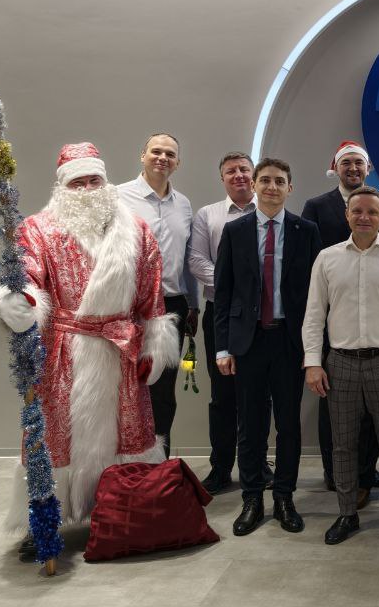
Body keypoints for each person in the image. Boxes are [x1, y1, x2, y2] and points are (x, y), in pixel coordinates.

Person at [0, 143, 178, 549]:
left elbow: (151, 294)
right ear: (63, 187)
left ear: (105, 182)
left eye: (94, 180)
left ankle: (125, 511)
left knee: (129, 437)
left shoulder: (136, 230)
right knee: (53, 440)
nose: (88, 189)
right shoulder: (38, 229)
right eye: (78, 182)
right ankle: (43, 524)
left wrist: (154, 345)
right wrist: (18, 303)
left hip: (120, 352)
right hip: (64, 355)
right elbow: (27, 277)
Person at [302, 186, 379, 547]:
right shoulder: (327, 258)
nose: (364, 217)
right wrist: (313, 363)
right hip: (340, 364)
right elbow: (314, 315)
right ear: (347, 215)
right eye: (357, 211)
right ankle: (347, 513)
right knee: (343, 445)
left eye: (372, 212)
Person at [214, 158, 321, 536]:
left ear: (290, 188)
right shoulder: (235, 230)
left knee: (288, 424)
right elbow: (223, 293)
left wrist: (314, 349)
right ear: (255, 185)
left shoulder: (306, 231)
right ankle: (252, 498)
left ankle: (284, 497)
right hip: (249, 341)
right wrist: (223, 347)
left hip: (290, 342)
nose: (272, 187)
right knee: (251, 425)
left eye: (279, 181)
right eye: (265, 180)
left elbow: (316, 295)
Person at [300, 140, 379, 498]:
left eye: (359, 163)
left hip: (370, 316)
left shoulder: (376, 203)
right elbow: (308, 260)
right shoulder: (317, 206)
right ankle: (335, 471)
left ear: (368, 169)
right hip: (333, 314)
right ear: (336, 167)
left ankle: (365, 470)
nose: (353, 168)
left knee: (369, 405)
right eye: (346, 163)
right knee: (331, 402)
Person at [188, 151, 272, 494]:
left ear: (253, 175)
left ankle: (258, 464)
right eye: (230, 171)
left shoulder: (268, 211)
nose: (238, 175)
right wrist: (233, 288)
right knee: (222, 396)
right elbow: (196, 259)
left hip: (261, 318)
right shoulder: (208, 215)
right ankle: (221, 468)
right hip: (221, 315)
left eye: (244, 169)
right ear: (222, 178)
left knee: (259, 395)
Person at [117, 133, 196, 456]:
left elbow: (187, 259)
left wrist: (193, 306)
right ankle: (123, 465)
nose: (162, 158)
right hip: (129, 306)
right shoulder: (118, 197)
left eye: (170, 154)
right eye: (156, 151)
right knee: (126, 388)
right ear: (143, 155)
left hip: (172, 306)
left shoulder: (184, 205)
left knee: (163, 392)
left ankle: (158, 463)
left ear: (178, 163)